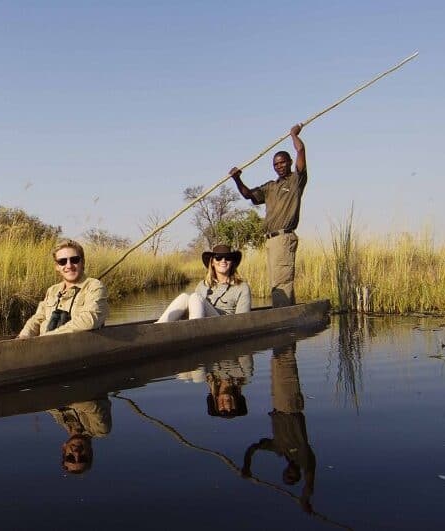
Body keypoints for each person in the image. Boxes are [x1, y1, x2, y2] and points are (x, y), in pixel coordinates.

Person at [228, 123, 308, 307]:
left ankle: (284, 318)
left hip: (283, 237)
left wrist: (293, 134)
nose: (279, 166)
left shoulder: (296, 181)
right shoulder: (270, 187)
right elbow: (249, 195)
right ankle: (284, 314)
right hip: (270, 240)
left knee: (281, 282)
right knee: (276, 283)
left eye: (282, 162)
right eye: (276, 164)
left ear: (289, 162)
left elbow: (301, 150)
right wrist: (237, 178)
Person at [241, 341, 316, 513]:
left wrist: (247, 465)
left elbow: (253, 448)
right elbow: (310, 481)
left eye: (286, 476)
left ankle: (287, 330)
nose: (288, 474)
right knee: (285, 358)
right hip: (290, 405)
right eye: (292, 477)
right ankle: (288, 328)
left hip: (277, 402)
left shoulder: (279, 449)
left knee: (277, 358)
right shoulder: (304, 456)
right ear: (297, 474)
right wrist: (305, 498)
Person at [18, 239, 108, 338]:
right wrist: (23, 337)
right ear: (57, 266)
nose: (69, 265)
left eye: (74, 260)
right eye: (62, 261)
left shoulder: (95, 286)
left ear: (82, 262)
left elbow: (90, 319)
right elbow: (37, 319)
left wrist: (48, 337)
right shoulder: (52, 290)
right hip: (45, 345)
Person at [156, 244, 251, 323]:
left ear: (232, 262)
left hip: (224, 325)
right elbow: (194, 308)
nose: (223, 261)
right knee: (185, 296)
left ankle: (194, 332)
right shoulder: (203, 285)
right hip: (204, 323)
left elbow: (242, 321)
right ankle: (157, 328)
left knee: (195, 297)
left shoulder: (242, 287)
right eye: (218, 258)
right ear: (212, 262)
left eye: (228, 258)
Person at [47, 398, 112, 474]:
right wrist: (58, 402)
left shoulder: (62, 421)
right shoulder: (100, 430)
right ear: (90, 452)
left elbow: (45, 403)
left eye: (70, 458)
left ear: (64, 448)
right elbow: (91, 405)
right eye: (83, 458)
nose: (77, 453)